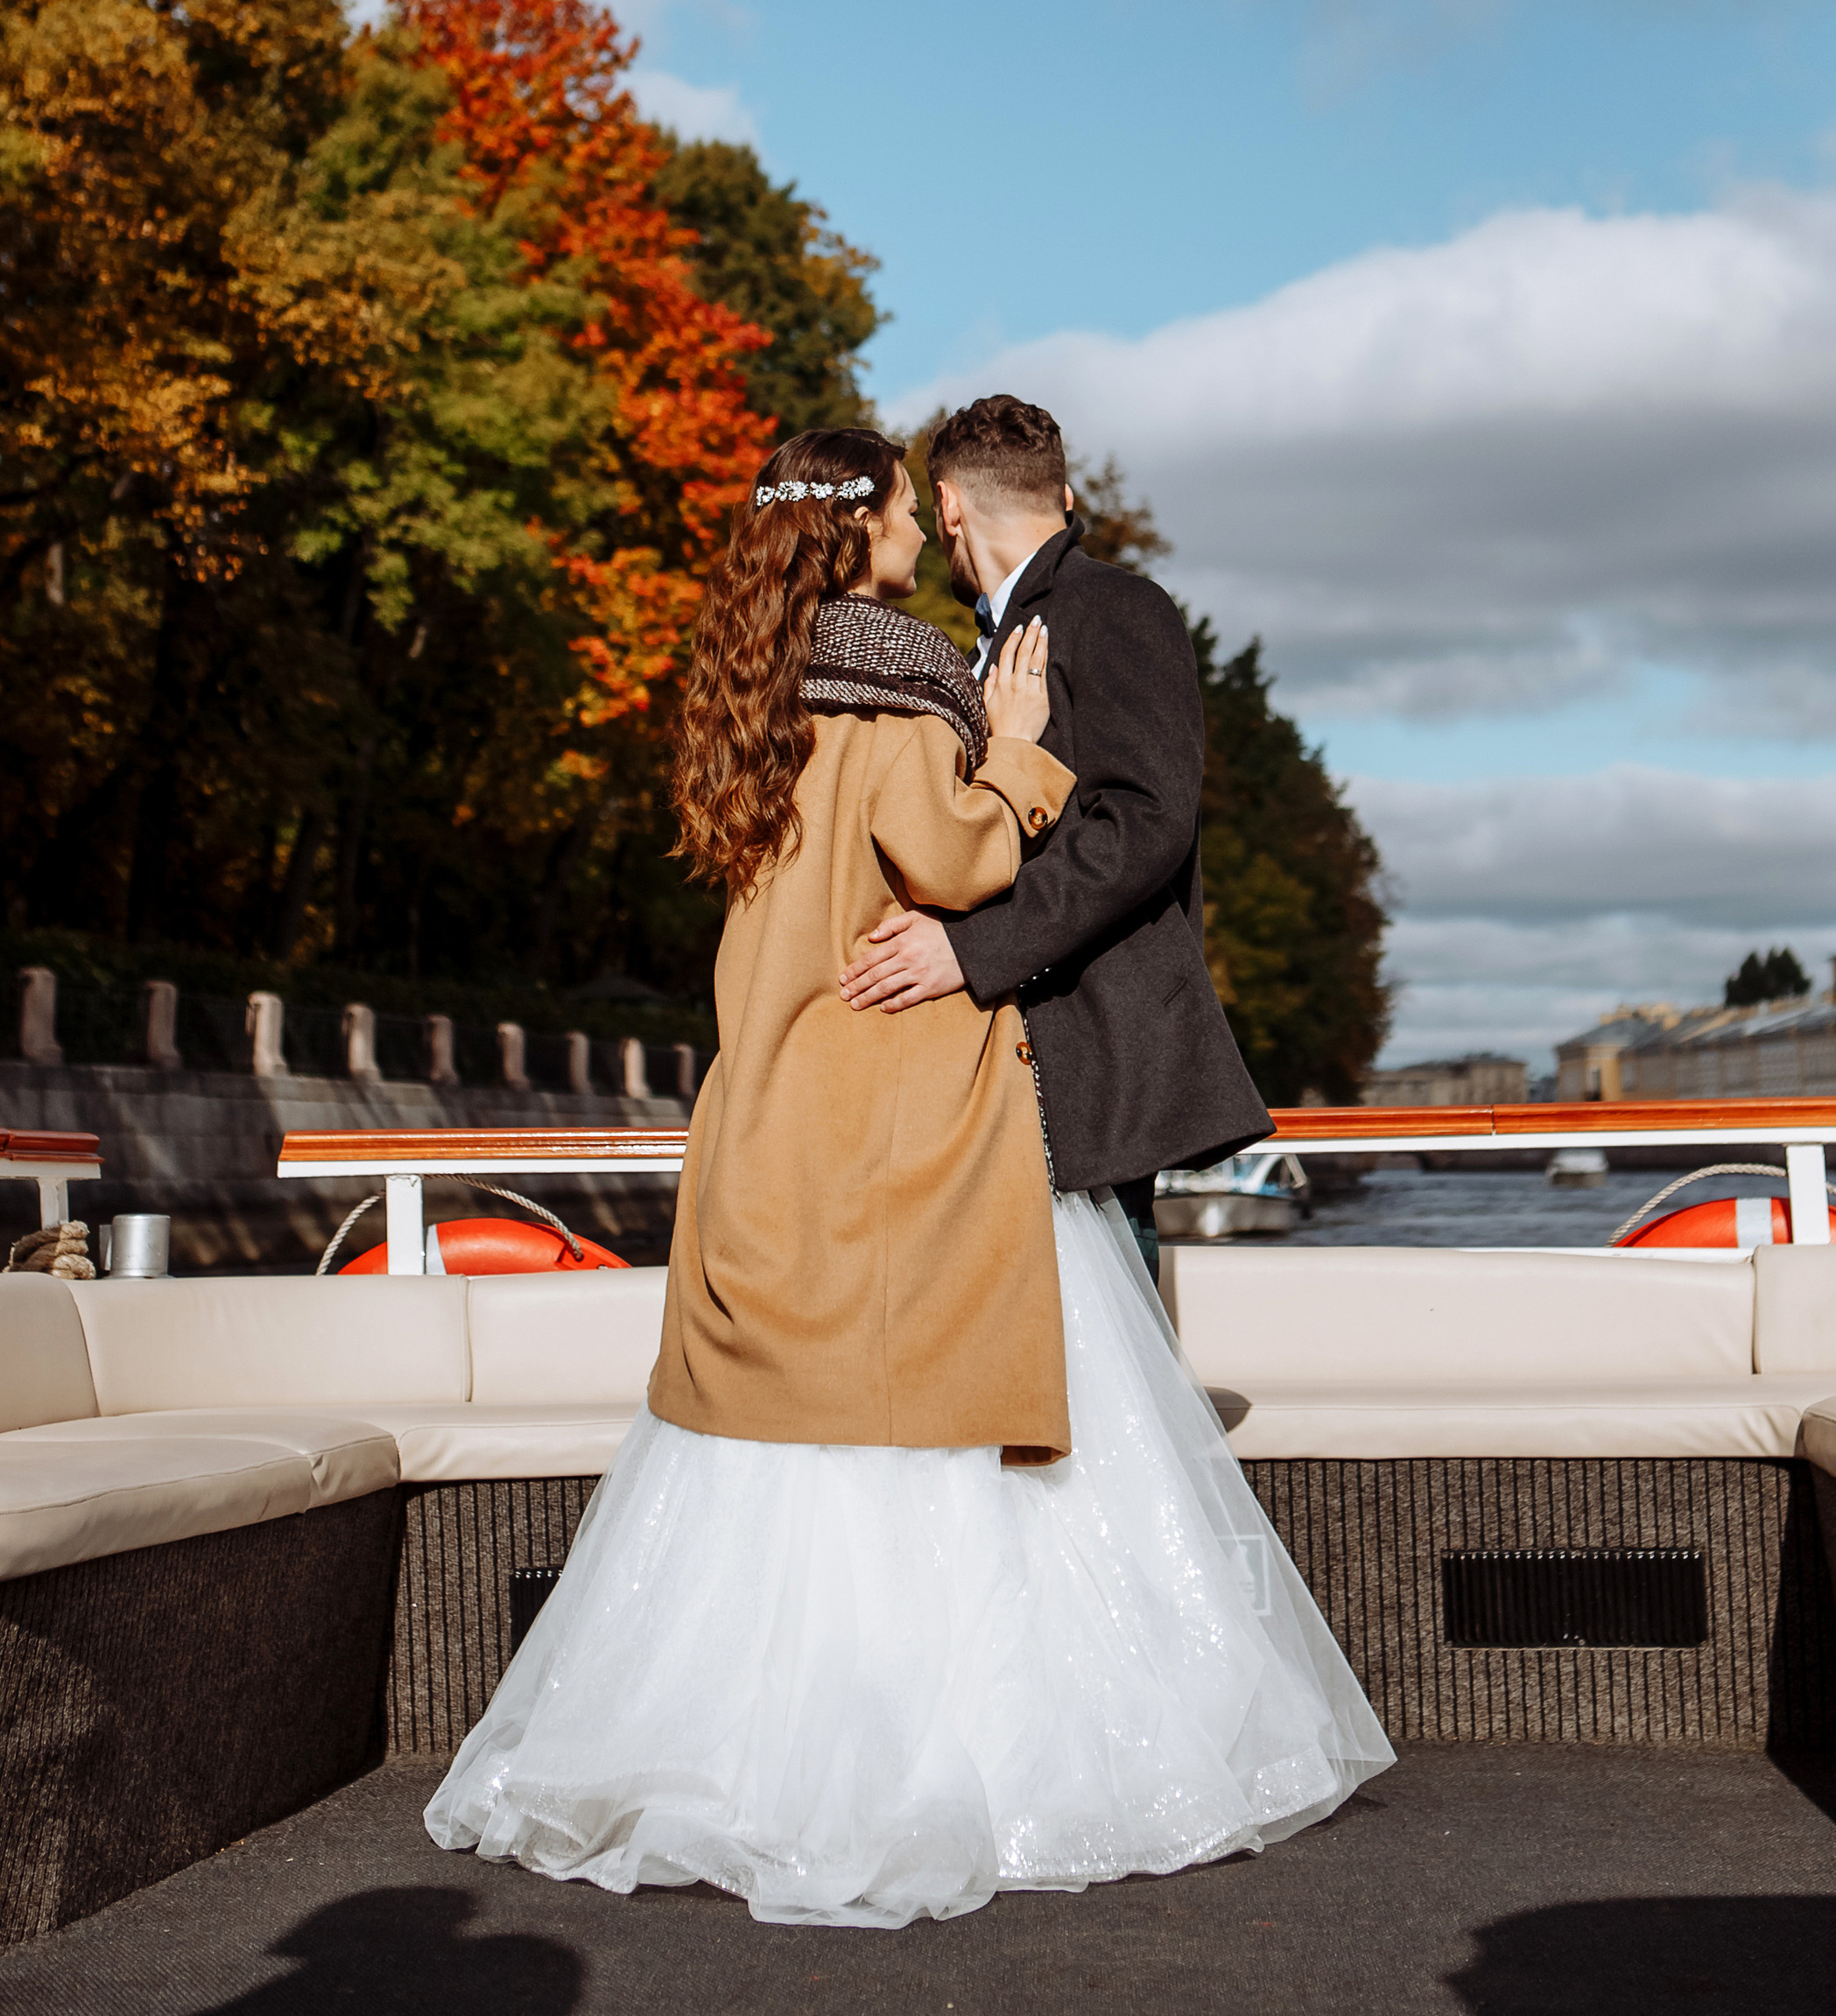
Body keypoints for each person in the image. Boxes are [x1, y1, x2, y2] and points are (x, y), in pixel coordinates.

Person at [426, 425, 1390, 1928]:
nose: (916, 533)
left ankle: (749, 1761)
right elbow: (949, 862)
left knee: (783, 1469)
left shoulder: (757, 697)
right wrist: (1009, 749)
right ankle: (970, 1770)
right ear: (876, 520)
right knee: (964, 1432)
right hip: (901, 1126)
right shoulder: (888, 695)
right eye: (892, 509)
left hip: (773, 1120)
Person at [841, 394, 1271, 1280]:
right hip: (999, 1064)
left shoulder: (1118, 607)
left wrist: (974, 948)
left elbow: (1147, 821)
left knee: (1107, 1357)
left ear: (950, 504)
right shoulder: (985, 645)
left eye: (929, 511)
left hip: (1094, 1062)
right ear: (1065, 496)